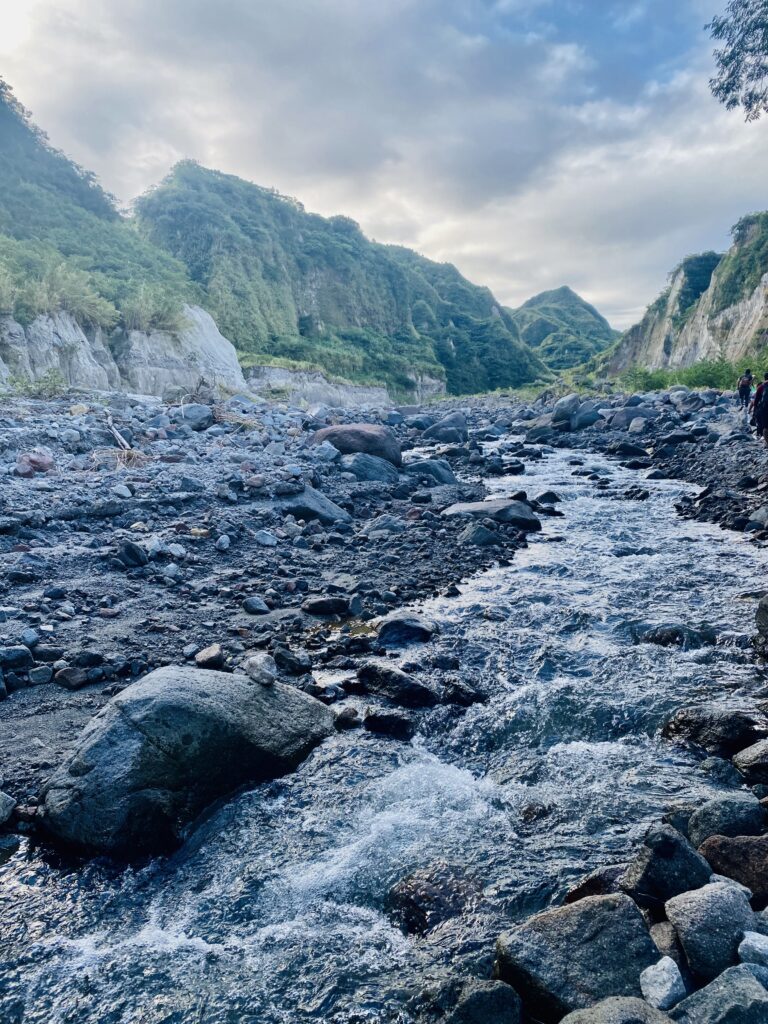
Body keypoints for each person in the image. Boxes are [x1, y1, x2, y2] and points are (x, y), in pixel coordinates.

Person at [751, 372, 768, 446]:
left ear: (764, 378)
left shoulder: (761, 387)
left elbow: (756, 401)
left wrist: (754, 411)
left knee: (765, 426)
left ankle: (767, 443)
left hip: (764, 409)